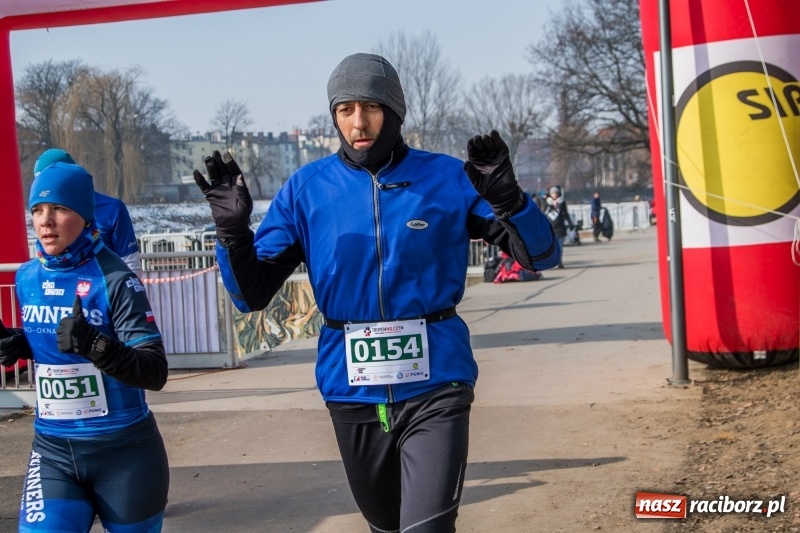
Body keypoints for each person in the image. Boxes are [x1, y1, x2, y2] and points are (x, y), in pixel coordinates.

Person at [193, 52, 560, 533]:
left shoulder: (448, 178)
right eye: (345, 109)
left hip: (437, 385)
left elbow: (541, 256)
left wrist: (511, 201)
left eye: (371, 106)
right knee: (385, 528)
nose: (358, 122)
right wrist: (233, 236)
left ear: (394, 111)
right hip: (351, 391)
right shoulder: (306, 189)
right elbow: (251, 295)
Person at [4, 162, 170, 532]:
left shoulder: (115, 279)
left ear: (84, 215)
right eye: (37, 210)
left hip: (125, 454)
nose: (46, 221)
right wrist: (20, 344)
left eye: (59, 208)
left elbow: (155, 371)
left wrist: (97, 345)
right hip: (53, 451)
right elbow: (58, 344)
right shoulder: (27, 277)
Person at [33, 148, 143, 278]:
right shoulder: (43, 217)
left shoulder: (112, 208)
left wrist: (120, 289)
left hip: (103, 285)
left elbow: (131, 264)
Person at [544, 185, 574, 268]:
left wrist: (571, 224)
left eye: (556, 193)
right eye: (553, 193)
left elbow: (566, 214)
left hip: (560, 227)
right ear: (551, 194)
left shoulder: (562, 202)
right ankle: (553, 262)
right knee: (552, 248)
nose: (555, 195)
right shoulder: (547, 203)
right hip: (551, 228)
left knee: (560, 247)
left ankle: (559, 262)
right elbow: (543, 215)